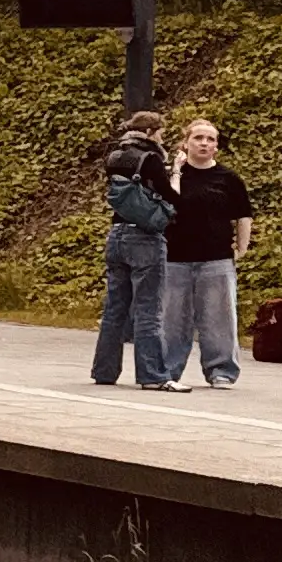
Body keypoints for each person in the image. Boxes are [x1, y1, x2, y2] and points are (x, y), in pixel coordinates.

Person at [158, 116, 257, 390]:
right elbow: (166, 205)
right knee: (172, 319)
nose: (204, 143)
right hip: (174, 257)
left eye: (210, 139)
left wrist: (242, 248)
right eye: (198, 138)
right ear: (186, 143)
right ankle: (167, 369)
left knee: (218, 318)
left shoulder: (228, 179)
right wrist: (176, 170)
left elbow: (243, 216)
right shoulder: (173, 176)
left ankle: (221, 371)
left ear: (216, 146)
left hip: (215, 258)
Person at [90, 110, 174, 389]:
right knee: (148, 308)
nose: (162, 137)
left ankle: (104, 371)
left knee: (115, 308)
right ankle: (152, 376)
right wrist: (176, 176)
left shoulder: (115, 156)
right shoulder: (150, 159)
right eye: (160, 132)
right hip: (145, 237)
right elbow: (169, 195)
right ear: (150, 132)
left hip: (117, 235)